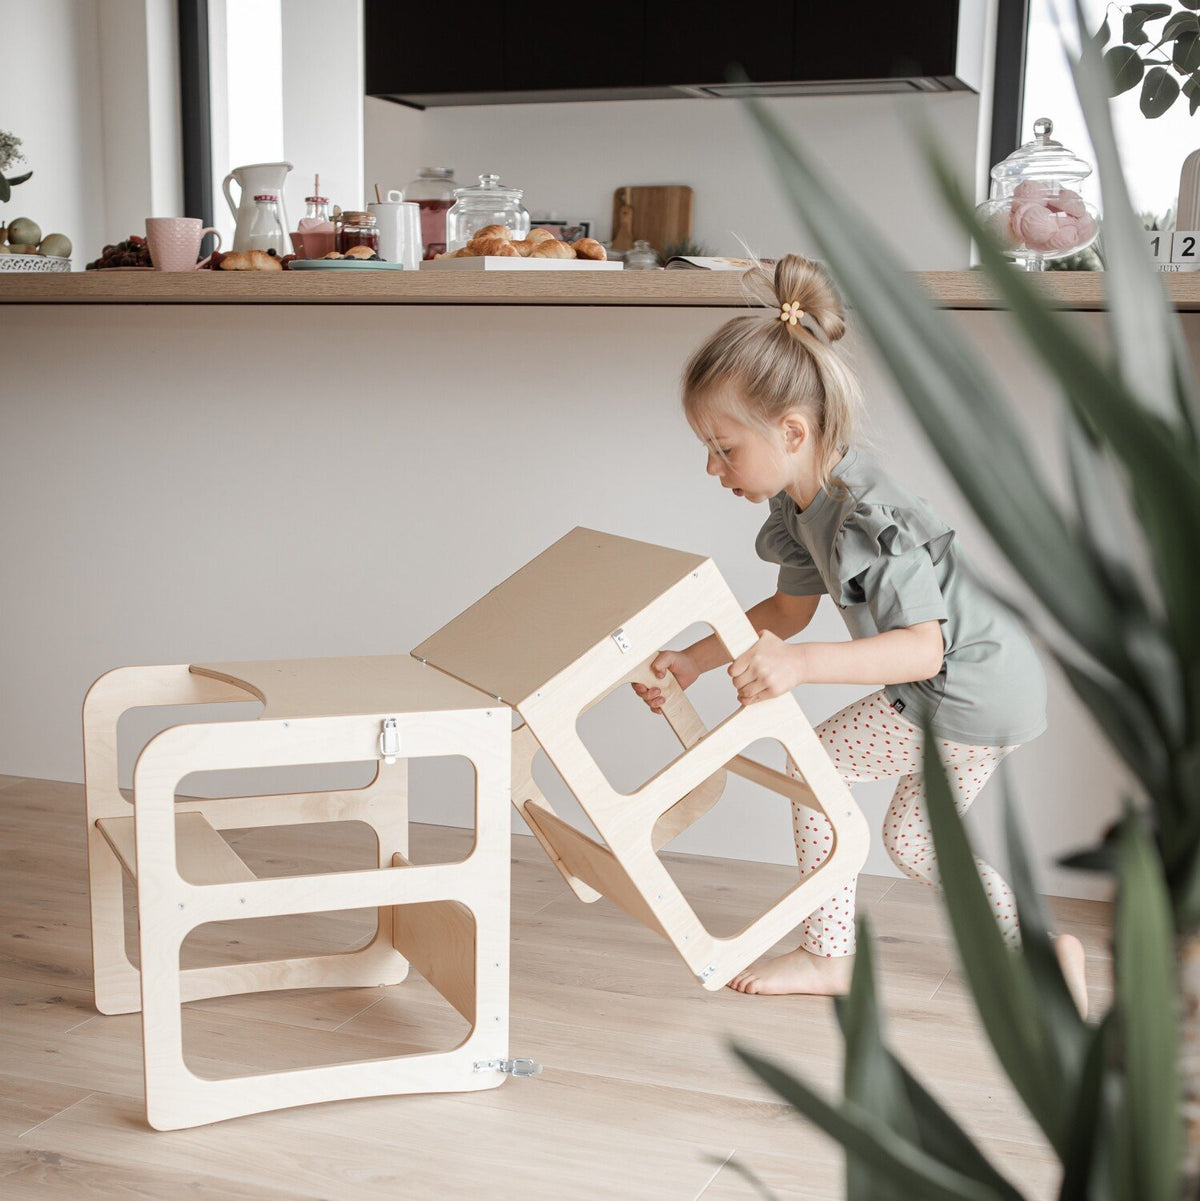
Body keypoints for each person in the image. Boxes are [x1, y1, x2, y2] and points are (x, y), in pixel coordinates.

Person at [633, 254, 1087, 1013]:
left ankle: (828, 955)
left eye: (724, 447)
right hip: (985, 690)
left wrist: (803, 666)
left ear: (792, 429)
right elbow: (782, 617)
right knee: (916, 840)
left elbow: (923, 646)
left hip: (959, 686)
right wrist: (692, 661)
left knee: (817, 774)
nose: (712, 466)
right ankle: (1039, 951)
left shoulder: (864, 516)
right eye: (707, 448)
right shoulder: (803, 509)